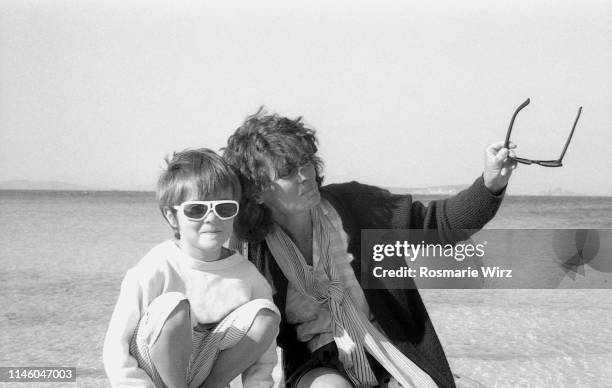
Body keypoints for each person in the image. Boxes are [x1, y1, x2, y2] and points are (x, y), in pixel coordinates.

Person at [223, 109, 517, 388]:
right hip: (316, 363)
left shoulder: (356, 206)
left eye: (305, 163)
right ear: (258, 191)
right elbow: (229, 318)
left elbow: (438, 224)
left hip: (390, 348)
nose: (305, 176)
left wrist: (490, 184)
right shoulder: (253, 250)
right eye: (288, 173)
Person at [103, 148, 281, 388]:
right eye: (196, 209)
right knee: (174, 307)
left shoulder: (248, 277)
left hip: (205, 375)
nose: (212, 218)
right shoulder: (156, 266)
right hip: (154, 374)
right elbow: (117, 344)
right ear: (172, 216)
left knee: (266, 315)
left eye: (224, 208)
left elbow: (263, 360)